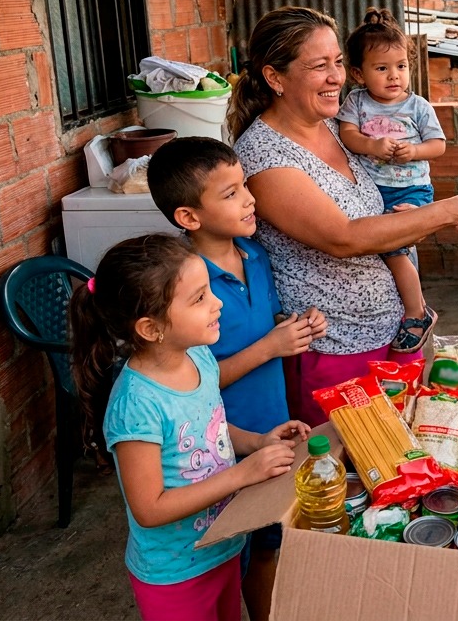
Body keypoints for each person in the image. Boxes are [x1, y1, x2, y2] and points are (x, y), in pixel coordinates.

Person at [227, 5, 458, 426]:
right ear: (274, 77)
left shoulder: (335, 127)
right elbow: (344, 236)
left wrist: (428, 216)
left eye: (338, 62)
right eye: (319, 66)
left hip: (391, 331)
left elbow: (383, 212)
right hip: (333, 347)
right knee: (346, 471)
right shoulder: (264, 155)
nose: (336, 76)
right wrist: (447, 211)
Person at [70, 234, 310, 621]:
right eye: (199, 298)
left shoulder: (198, 356)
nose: (216, 304)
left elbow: (209, 423)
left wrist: (257, 442)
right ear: (151, 329)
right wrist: (241, 476)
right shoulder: (137, 404)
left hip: (224, 545)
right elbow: (149, 508)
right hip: (175, 573)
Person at [146, 137, 325, 621]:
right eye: (230, 194)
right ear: (189, 217)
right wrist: (271, 346)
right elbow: (190, 379)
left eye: (245, 184)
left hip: (270, 423)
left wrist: (295, 325)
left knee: (269, 540)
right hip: (217, 445)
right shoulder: (185, 286)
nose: (249, 198)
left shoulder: (254, 255)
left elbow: (263, 324)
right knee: (228, 549)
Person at [337, 8, 446, 353]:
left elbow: (438, 145)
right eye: (382, 68)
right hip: (370, 191)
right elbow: (347, 135)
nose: (394, 76)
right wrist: (372, 145)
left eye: (401, 66)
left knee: (396, 248)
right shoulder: (356, 101)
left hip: (411, 189)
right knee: (384, 251)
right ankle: (402, 308)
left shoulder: (418, 107)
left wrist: (413, 153)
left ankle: (417, 313)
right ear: (358, 73)